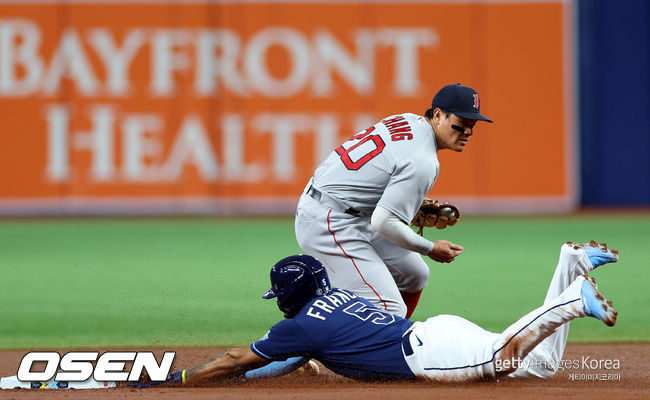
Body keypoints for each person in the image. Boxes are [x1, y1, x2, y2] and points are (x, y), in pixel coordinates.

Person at [135, 240, 619, 386]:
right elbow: (280, 360)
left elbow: (241, 358)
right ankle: (569, 263)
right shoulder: (343, 302)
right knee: (541, 364)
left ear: (286, 296)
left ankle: (573, 297)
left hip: (430, 354)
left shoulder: (299, 326)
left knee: (505, 359)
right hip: (438, 333)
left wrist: (179, 380)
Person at [295, 83, 493, 319]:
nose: (468, 131)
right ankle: (320, 347)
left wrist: (401, 205)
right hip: (329, 221)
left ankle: (386, 341)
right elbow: (384, 222)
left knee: (415, 274)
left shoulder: (408, 119)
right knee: (388, 308)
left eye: (473, 125)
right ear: (438, 115)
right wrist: (431, 249)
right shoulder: (424, 161)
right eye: (461, 123)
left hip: (347, 208)